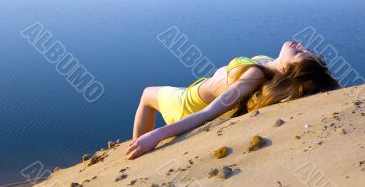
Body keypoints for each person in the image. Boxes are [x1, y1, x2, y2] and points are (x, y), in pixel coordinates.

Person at [126, 41, 339, 159]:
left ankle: (137, 149)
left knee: (146, 95)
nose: (301, 46)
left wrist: (156, 135)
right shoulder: (269, 66)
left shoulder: (254, 77)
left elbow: (208, 113)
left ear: (285, 69)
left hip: (186, 104)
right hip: (192, 91)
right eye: (307, 50)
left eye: (299, 54)